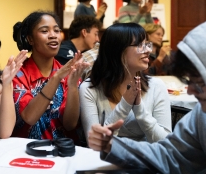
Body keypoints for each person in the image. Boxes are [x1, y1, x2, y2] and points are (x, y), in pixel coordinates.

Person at [87, 22, 206, 174]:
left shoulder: (156, 86)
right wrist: (111, 145)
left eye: (198, 82)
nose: (189, 91)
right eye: (189, 81)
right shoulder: (200, 115)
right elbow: (169, 155)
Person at [80, 23, 171, 144]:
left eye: (147, 44)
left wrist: (139, 108)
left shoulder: (156, 86)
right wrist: (125, 105)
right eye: (140, 45)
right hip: (106, 160)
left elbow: (166, 142)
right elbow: (95, 143)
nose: (148, 50)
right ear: (118, 50)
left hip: (147, 158)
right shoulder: (90, 88)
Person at [12, 10, 89, 141]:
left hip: (62, 151)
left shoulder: (68, 73)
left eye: (57, 30)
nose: (53, 35)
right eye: (44, 31)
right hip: (26, 152)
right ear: (30, 39)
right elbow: (29, 117)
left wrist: (73, 86)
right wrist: (56, 77)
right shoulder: (17, 73)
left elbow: (70, 125)